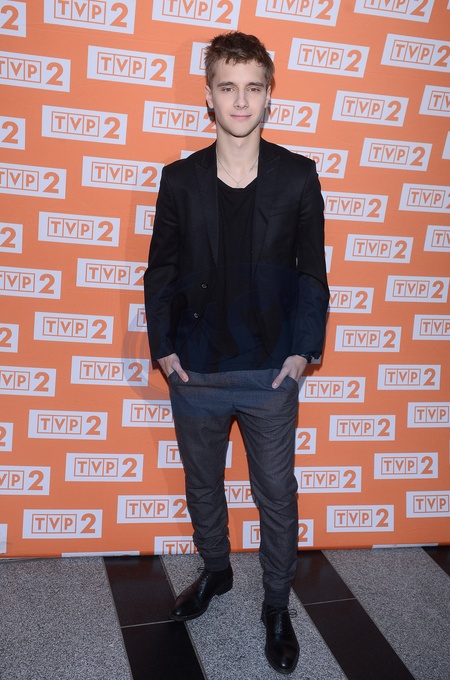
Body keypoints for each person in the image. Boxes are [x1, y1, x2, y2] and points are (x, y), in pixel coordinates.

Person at [144, 31, 329, 675]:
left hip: (270, 371)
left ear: (269, 95)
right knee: (203, 487)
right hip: (194, 371)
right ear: (209, 96)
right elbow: (160, 271)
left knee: (277, 493)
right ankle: (217, 572)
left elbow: (312, 274)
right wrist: (164, 350)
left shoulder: (298, 177)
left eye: (253, 87)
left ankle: (276, 605)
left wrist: (303, 353)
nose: (241, 100)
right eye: (228, 87)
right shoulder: (179, 180)